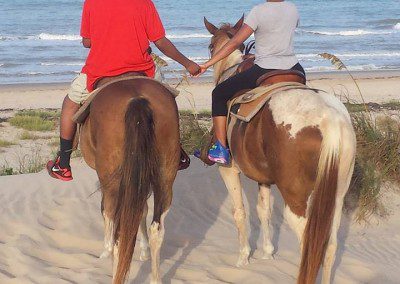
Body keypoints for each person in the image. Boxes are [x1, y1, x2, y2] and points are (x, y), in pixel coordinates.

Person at [47, 0, 200, 181]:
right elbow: (159, 40)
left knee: (70, 102)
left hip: (100, 70)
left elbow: (87, 42)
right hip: (143, 68)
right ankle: (176, 151)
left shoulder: (91, 2)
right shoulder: (144, 2)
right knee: (165, 98)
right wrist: (188, 63)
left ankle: (63, 163)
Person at [197, 0, 306, 165]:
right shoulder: (293, 9)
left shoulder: (258, 11)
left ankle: (220, 148)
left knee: (218, 93)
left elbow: (233, 43)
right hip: (294, 68)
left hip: (265, 68)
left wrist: (207, 64)